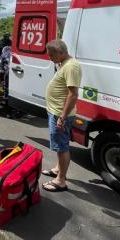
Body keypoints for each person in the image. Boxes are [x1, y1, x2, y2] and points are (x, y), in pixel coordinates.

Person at [41, 39, 81, 192]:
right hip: (56, 112)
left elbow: (73, 94)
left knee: (61, 147)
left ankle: (60, 181)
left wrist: (62, 117)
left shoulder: (71, 66)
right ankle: (58, 169)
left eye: (51, 55)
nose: (49, 58)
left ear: (62, 53)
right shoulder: (64, 63)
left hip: (60, 114)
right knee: (59, 146)